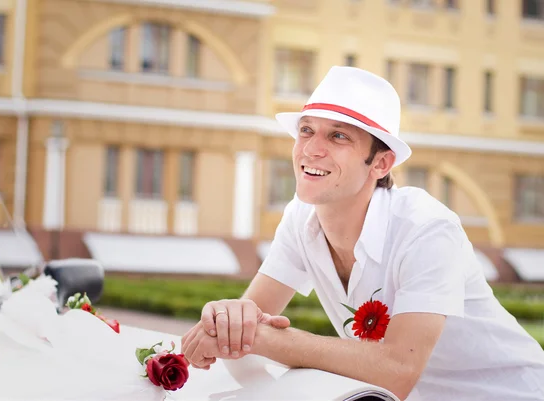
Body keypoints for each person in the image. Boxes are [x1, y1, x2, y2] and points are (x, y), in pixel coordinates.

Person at [180, 66, 544, 400]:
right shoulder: (300, 218)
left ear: (381, 163)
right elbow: (250, 318)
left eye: (338, 136)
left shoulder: (427, 228)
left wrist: (264, 337)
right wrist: (225, 318)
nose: (311, 148)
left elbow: (398, 370)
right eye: (306, 130)